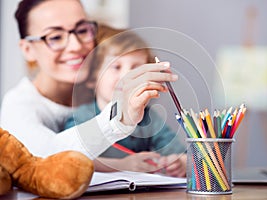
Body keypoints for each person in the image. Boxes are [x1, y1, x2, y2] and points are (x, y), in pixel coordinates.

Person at [0, 0, 178, 165]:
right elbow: (48, 159)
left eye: (82, 30)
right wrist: (119, 124)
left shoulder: (103, 91)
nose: (75, 46)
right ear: (28, 50)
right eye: (55, 37)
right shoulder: (18, 107)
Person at [64, 25, 186, 177]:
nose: (127, 77)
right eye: (116, 67)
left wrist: (179, 163)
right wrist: (122, 166)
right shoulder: (81, 117)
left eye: (136, 69)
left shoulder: (150, 119)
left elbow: (182, 155)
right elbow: (68, 158)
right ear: (93, 78)